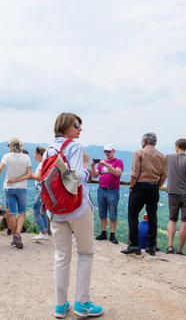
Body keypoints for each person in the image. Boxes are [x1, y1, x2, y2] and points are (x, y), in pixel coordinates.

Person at [45, 112, 102, 318]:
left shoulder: (49, 150)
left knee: (61, 256)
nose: (80, 128)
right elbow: (75, 180)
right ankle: (82, 303)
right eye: (77, 124)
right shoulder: (75, 147)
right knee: (85, 253)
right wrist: (86, 167)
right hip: (77, 208)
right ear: (66, 126)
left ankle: (60, 306)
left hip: (56, 210)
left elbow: (39, 180)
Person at [121, 132, 167, 256]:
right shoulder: (162, 156)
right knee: (153, 216)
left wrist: (131, 187)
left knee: (133, 215)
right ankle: (151, 246)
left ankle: (134, 245)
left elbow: (134, 173)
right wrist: (157, 186)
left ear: (144, 141)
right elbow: (164, 175)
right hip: (153, 187)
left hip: (140, 187)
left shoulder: (139, 153)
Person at [0, 138, 32, 249]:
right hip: (22, 188)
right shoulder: (26, 157)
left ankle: (14, 236)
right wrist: (17, 180)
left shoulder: (7, 156)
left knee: (12, 213)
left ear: (11, 146)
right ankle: (18, 234)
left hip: (9, 187)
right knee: (22, 212)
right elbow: (29, 174)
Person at [8, 146, 50, 240]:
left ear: (39, 154)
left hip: (42, 190)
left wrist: (29, 174)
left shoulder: (42, 164)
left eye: (35, 154)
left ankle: (43, 233)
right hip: (44, 190)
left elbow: (39, 177)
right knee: (41, 210)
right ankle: (45, 232)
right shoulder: (43, 163)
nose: (34, 156)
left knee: (35, 210)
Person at [90, 144, 124, 244]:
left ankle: (112, 234)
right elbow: (95, 175)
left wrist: (106, 165)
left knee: (113, 213)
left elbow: (117, 173)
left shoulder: (118, 162)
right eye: (105, 151)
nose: (107, 153)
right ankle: (103, 232)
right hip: (101, 189)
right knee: (102, 212)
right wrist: (92, 166)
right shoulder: (101, 164)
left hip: (113, 190)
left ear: (113, 151)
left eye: (109, 151)